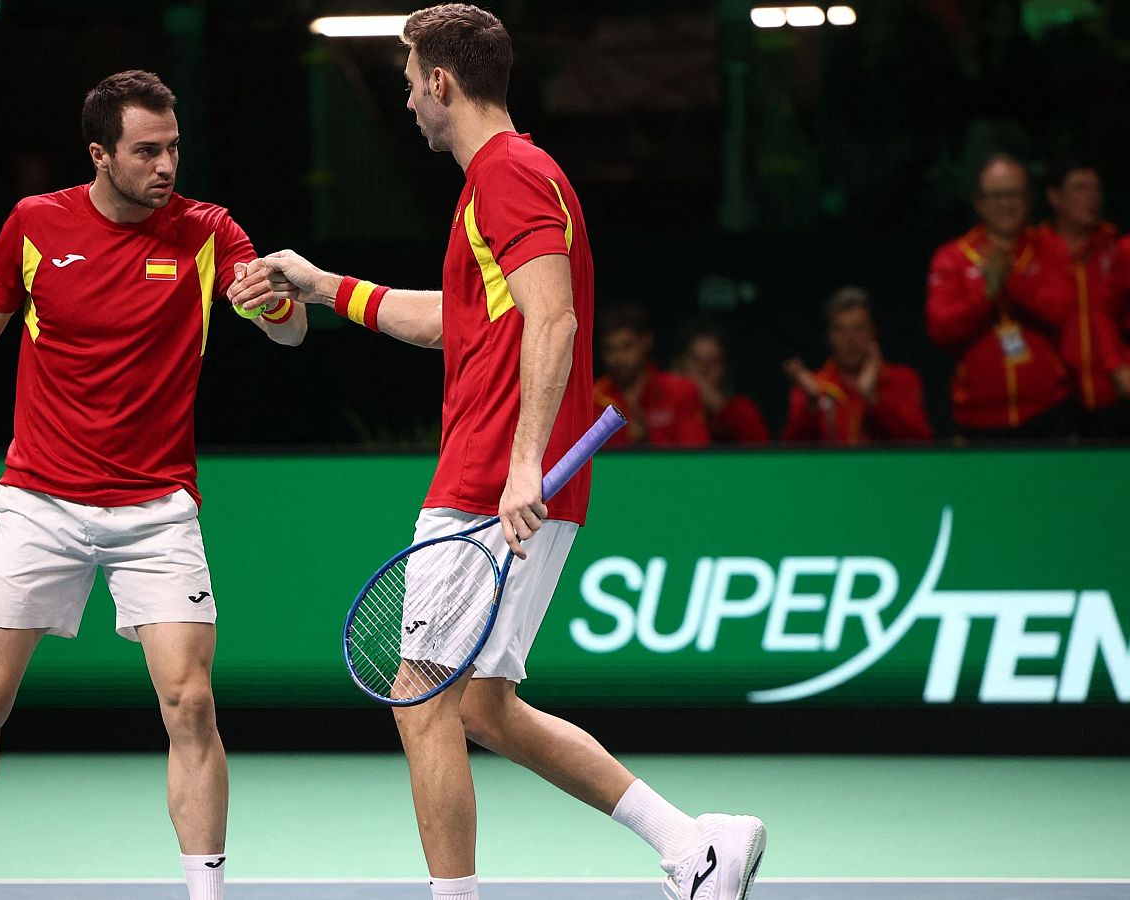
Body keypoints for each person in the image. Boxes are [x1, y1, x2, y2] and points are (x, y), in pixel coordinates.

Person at [229, 7, 763, 900]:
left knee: (422, 700)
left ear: (441, 81)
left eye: (407, 82)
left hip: (492, 478)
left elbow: (553, 317)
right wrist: (323, 288)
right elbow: (458, 321)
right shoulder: (505, 181)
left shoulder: (508, 175)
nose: (405, 101)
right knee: (479, 705)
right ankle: (692, 846)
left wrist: (520, 468)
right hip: (502, 472)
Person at [0, 70, 306, 900]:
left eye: (173, 148)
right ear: (100, 154)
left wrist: (272, 305)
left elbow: (289, 333)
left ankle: (206, 893)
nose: (165, 166)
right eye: (146, 151)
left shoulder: (206, 230)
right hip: (40, 500)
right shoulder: (35, 225)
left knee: (190, 702)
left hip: (156, 510)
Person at [926, 153, 1071, 440]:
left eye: (1014, 194)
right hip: (979, 420)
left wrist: (1011, 281)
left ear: (1028, 199)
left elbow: (1061, 310)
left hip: (1047, 412)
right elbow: (941, 329)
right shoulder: (952, 257)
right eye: (996, 196)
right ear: (979, 202)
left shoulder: (1049, 247)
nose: (1006, 204)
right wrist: (985, 296)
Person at [1037, 160, 1130, 438]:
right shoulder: (1033, 251)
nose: (1092, 197)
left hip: (1115, 396)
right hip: (1055, 402)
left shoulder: (1116, 249)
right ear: (1054, 197)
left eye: (1096, 189)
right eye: (1080, 188)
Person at [783, 287, 932, 444]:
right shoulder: (814, 385)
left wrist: (872, 398)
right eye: (840, 330)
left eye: (858, 329)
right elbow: (792, 455)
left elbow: (921, 444)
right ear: (829, 336)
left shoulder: (902, 379)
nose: (850, 339)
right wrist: (811, 404)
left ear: (873, 331)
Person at [593, 304, 711, 448]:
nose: (618, 359)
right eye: (610, 349)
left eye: (627, 346)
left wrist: (646, 439)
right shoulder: (591, 396)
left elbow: (696, 455)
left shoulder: (681, 391)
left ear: (646, 342)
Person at [675, 324, 770, 444]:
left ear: (723, 367)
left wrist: (718, 405)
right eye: (696, 360)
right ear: (680, 363)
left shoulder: (741, 410)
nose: (703, 370)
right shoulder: (666, 409)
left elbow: (762, 451)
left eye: (712, 362)